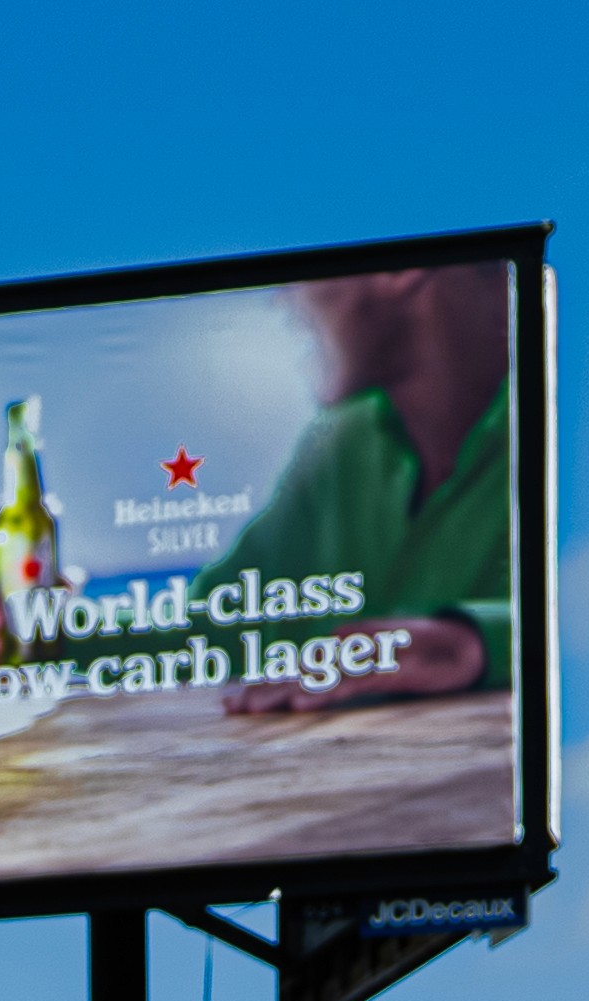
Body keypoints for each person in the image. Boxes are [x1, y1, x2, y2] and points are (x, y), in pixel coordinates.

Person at [210, 262, 517, 719]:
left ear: (400, 270)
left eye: (304, 266)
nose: (283, 297)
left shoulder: (570, 415)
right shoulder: (339, 446)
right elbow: (210, 624)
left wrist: (472, 642)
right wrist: (66, 625)